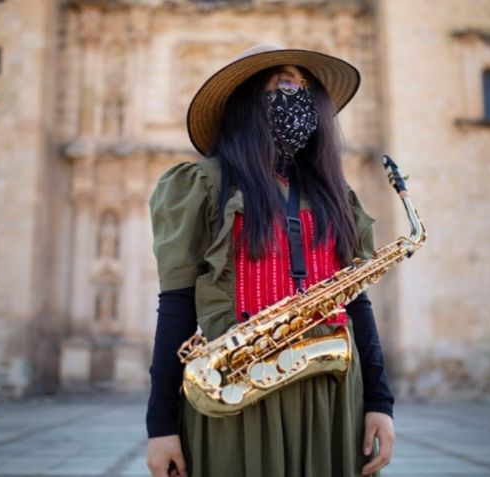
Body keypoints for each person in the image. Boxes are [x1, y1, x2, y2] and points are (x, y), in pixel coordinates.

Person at [145, 44, 395, 477]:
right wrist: (160, 426)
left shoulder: (335, 195)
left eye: (303, 85)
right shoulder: (204, 185)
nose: (295, 93)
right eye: (281, 81)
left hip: (333, 397)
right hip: (240, 394)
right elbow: (177, 304)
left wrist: (380, 403)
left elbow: (358, 304)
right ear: (245, 102)